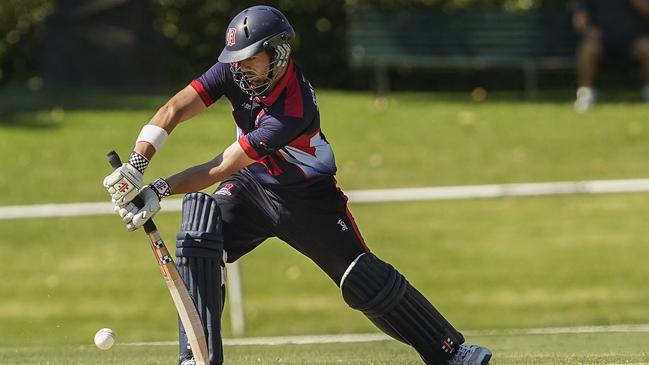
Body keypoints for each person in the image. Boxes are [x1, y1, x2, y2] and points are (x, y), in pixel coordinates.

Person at [102, 5, 492, 365]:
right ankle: (197, 359)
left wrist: (157, 190)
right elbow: (174, 109)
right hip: (252, 188)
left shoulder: (293, 108)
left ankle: (452, 352)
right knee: (200, 233)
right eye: (236, 61)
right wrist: (137, 166)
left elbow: (220, 165)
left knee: (364, 281)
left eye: (251, 58)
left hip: (309, 200)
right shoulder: (234, 71)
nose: (241, 69)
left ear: (278, 52)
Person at [572, 0, 649, 112]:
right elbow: (579, 20)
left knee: (647, 48)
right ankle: (585, 94)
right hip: (601, 41)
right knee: (587, 49)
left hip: (632, 41)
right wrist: (589, 31)